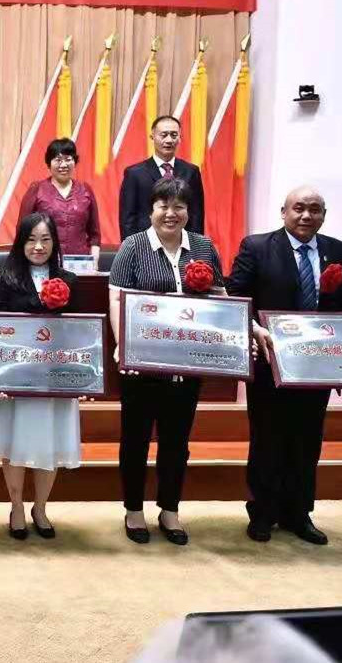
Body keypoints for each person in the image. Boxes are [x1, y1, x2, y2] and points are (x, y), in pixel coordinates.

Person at [228, 186, 342, 545]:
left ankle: (299, 514)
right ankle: (262, 513)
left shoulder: (338, 251)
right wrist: (254, 328)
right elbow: (236, 295)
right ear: (284, 212)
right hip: (272, 364)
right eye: (299, 208)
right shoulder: (257, 247)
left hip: (318, 365)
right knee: (268, 439)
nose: (306, 215)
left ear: (324, 214)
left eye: (315, 209)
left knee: (307, 441)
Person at [107, 177, 225, 546]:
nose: (171, 213)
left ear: (188, 211)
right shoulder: (133, 247)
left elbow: (221, 298)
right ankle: (133, 510)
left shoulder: (203, 247)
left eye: (179, 206)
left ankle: (170, 510)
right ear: (151, 210)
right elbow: (117, 299)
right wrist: (124, 346)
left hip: (187, 363)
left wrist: (245, 331)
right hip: (141, 365)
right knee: (136, 439)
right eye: (163, 205)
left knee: (177, 440)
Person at [0, 213, 85, 540]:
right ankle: (17, 507)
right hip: (16, 381)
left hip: (54, 380)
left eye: (45, 239)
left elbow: (78, 335)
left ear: (55, 243)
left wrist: (80, 378)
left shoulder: (69, 280)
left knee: (49, 443)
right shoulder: (7, 279)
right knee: (15, 442)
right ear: (20, 243)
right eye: (31, 240)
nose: (38, 247)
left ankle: (40, 507)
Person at [118, 115, 205, 240]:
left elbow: (197, 215)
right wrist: (131, 247)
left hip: (181, 243)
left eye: (174, 135)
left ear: (180, 138)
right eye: (164, 135)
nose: (169, 140)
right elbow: (127, 219)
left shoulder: (191, 172)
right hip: (146, 243)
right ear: (152, 136)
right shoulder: (134, 173)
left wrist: (196, 245)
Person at [16, 139, 101, 259]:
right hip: (44, 259)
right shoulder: (37, 189)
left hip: (79, 261)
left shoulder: (85, 190)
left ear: (74, 161)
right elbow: (22, 229)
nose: (63, 165)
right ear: (49, 163)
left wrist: (94, 259)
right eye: (58, 160)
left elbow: (95, 234)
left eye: (68, 159)